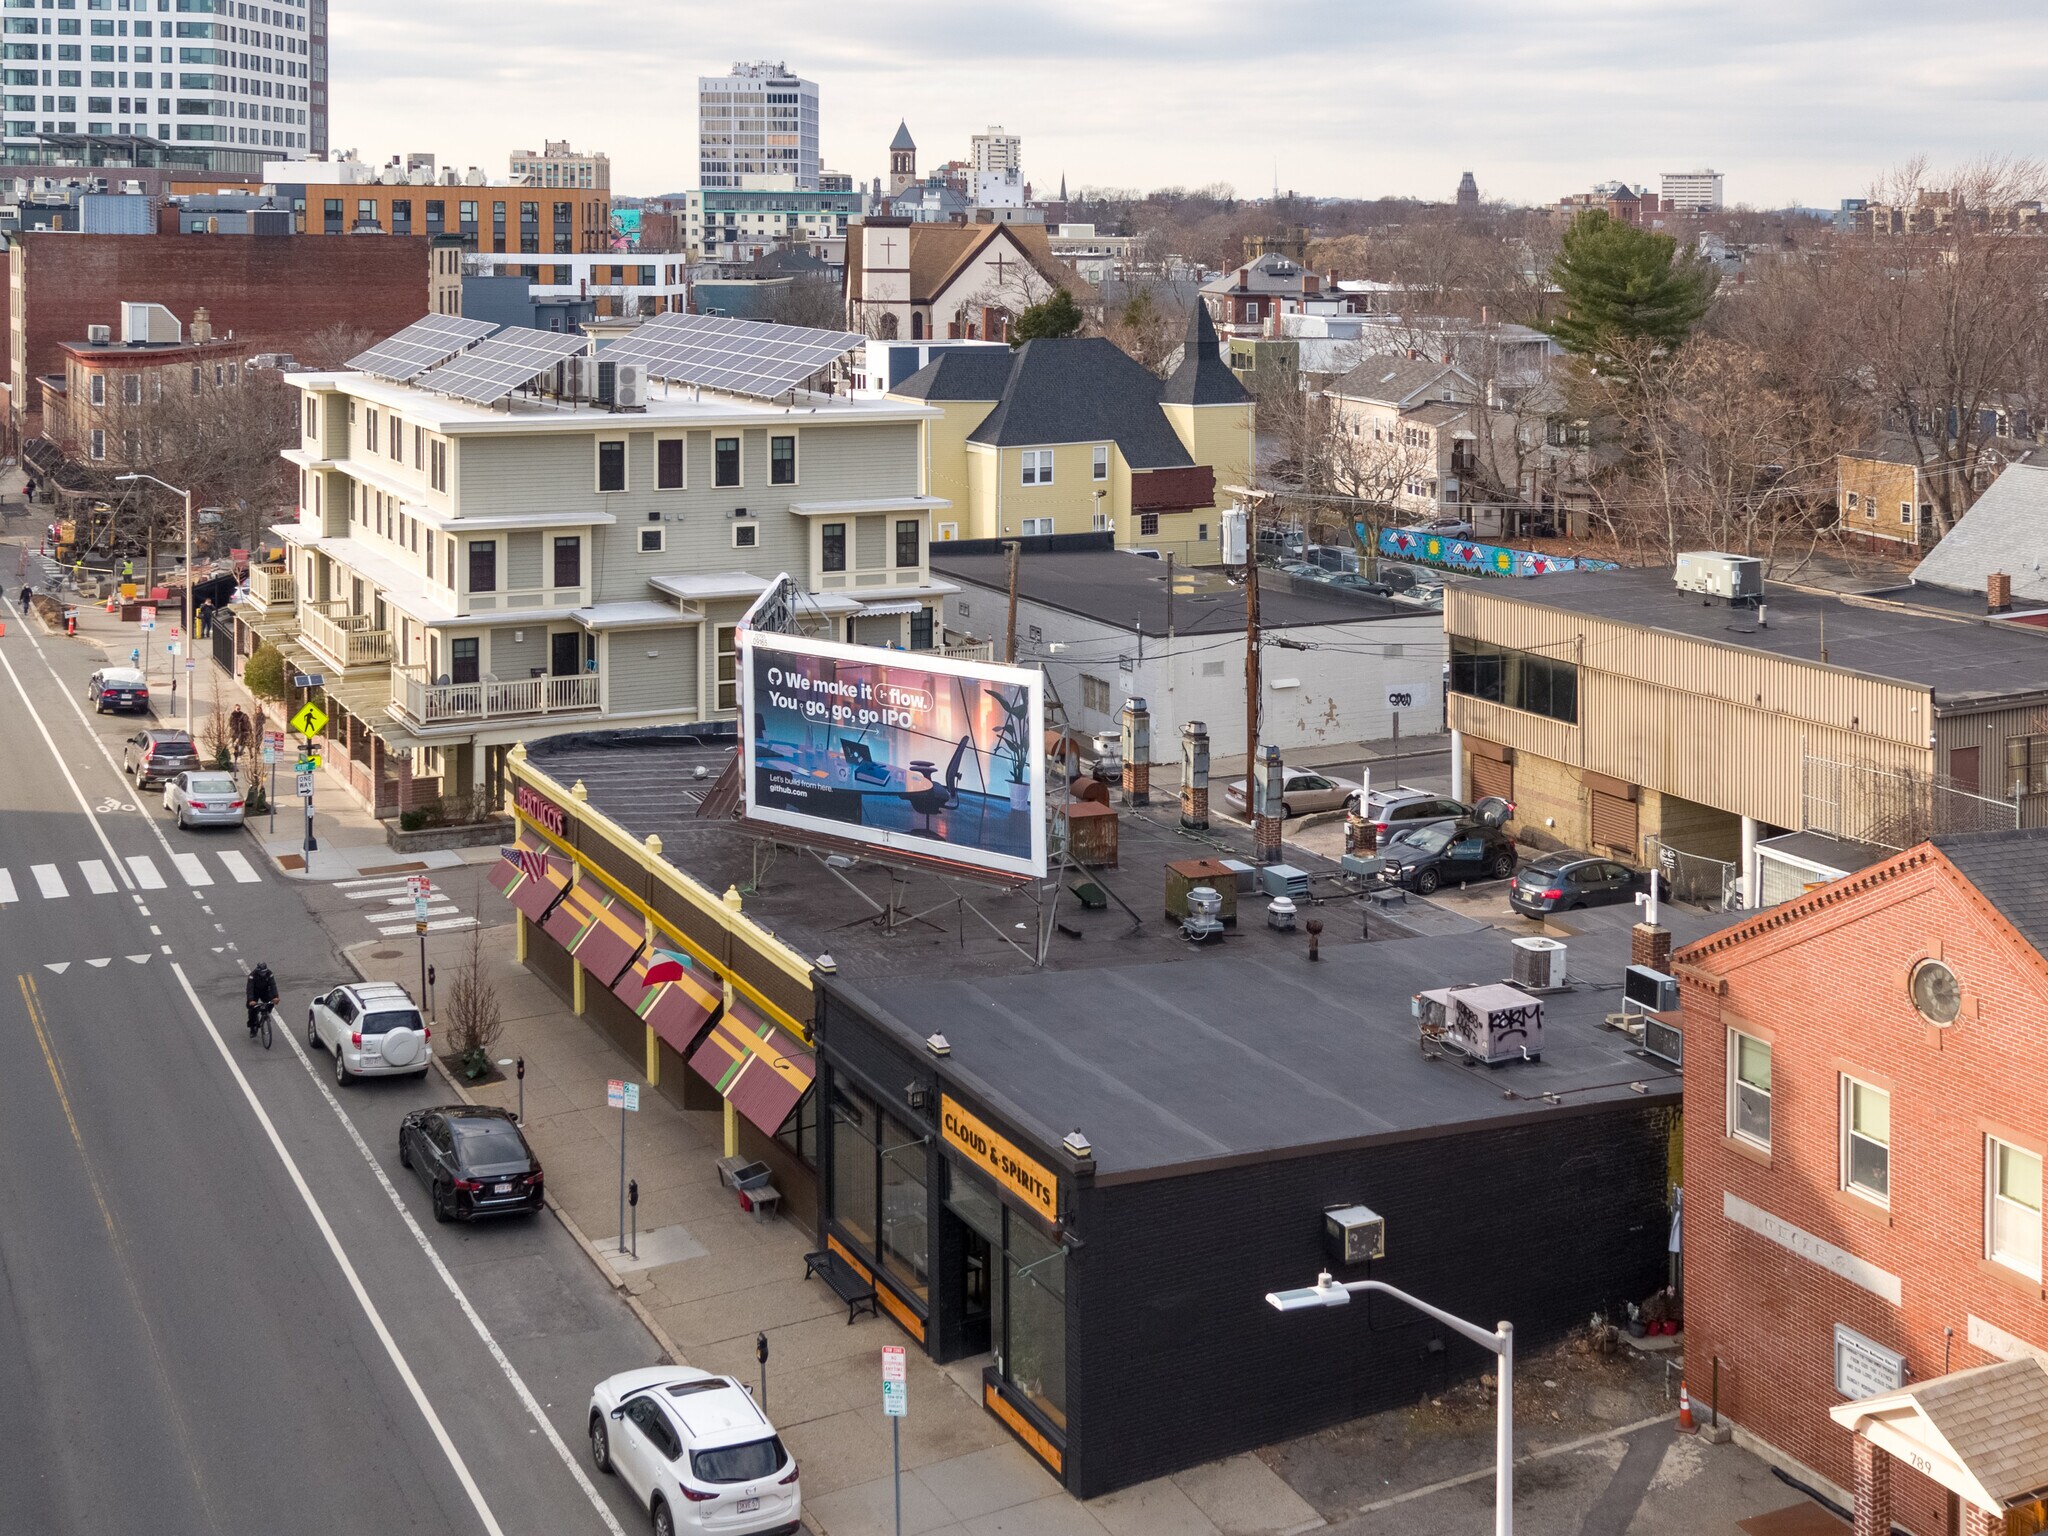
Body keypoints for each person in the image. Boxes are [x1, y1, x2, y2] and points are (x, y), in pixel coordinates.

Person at [245, 962, 279, 1036]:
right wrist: (251, 1000)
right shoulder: (252, 976)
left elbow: (273, 985)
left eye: (264, 972)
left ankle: (266, 1012)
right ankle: (252, 1027)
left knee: (271, 1001)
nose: (263, 974)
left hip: (265, 991)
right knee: (251, 1009)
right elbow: (249, 989)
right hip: (255, 992)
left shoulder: (269, 973)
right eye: (261, 972)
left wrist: (276, 997)